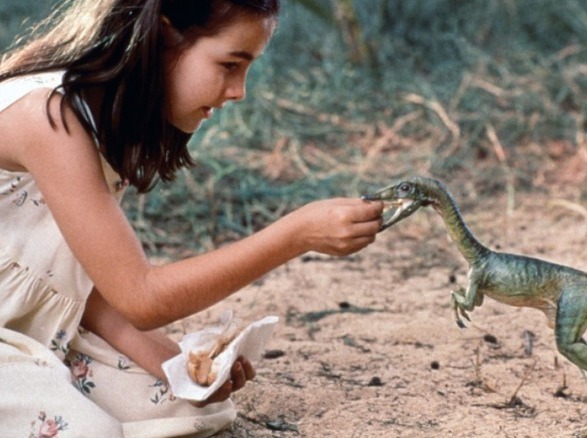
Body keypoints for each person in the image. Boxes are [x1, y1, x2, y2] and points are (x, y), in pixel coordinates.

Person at [0, 0, 383, 436]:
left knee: (192, 408)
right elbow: (140, 297)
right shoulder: (48, 117)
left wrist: (175, 364)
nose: (239, 90)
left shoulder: (101, 118)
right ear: (165, 35)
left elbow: (87, 287)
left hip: (29, 329)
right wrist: (295, 235)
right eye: (230, 64)